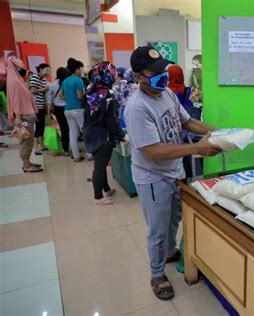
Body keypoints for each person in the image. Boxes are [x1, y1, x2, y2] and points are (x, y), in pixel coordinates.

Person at [124, 46, 222, 301]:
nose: (162, 76)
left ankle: (168, 252)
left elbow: (187, 122)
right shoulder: (137, 108)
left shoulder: (166, 93)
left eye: (163, 70)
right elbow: (154, 151)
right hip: (153, 177)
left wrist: (219, 132)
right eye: (154, 73)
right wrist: (196, 148)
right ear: (138, 77)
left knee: (174, 219)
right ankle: (157, 274)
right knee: (157, 228)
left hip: (174, 171)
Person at [83, 61, 121, 205]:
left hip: (89, 132)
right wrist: (119, 134)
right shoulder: (109, 95)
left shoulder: (90, 90)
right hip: (102, 135)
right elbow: (110, 120)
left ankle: (106, 188)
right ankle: (98, 197)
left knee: (101, 163)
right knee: (99, 166)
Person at [6, 57, 42, 172]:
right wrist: (17, 117)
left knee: (28, 141)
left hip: (27, 115)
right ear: (15, 67)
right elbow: (16, 101)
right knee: (25, 141)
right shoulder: (15, 82)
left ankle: (28, 162)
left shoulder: (18, 80)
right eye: (21, 65)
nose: (23, 67)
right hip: (23, 116)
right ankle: (26, 166)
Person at [168, 64, 203, 177]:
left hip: (173, 137)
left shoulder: (165, 95)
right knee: (194, 165)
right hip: (192, 135)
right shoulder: (193, 92)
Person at [61, 59, 92, 162]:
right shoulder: (78, 80)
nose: (82, 70)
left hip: (67, 110)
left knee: (73, 132)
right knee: (85, 131)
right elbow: (79, 96)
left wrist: (69, 99)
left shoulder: (65, 80)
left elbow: (60, 95)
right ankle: (89, 154)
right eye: (81, 68)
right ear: (77, 69)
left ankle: (76, 156)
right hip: (78, 109)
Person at [47, 67, 71, 155]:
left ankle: (66, 150)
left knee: (63, 129)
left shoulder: (53, 85)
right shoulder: (68, 84)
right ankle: (73, 148)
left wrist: (49, 111)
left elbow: (49, 100)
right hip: (68, 107)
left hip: (58, 109)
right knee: (72, 129)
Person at [28, 63, 50, 155]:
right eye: (47, 70)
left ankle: (42, 144)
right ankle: (35, 147)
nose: (48, 72)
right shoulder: (34, 77)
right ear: (40, 69)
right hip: (34, 106)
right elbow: (33, 90)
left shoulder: (44, 80)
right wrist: (45, 88)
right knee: (36, 126)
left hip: (41, 105)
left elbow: (44, 94)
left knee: (41, 126)